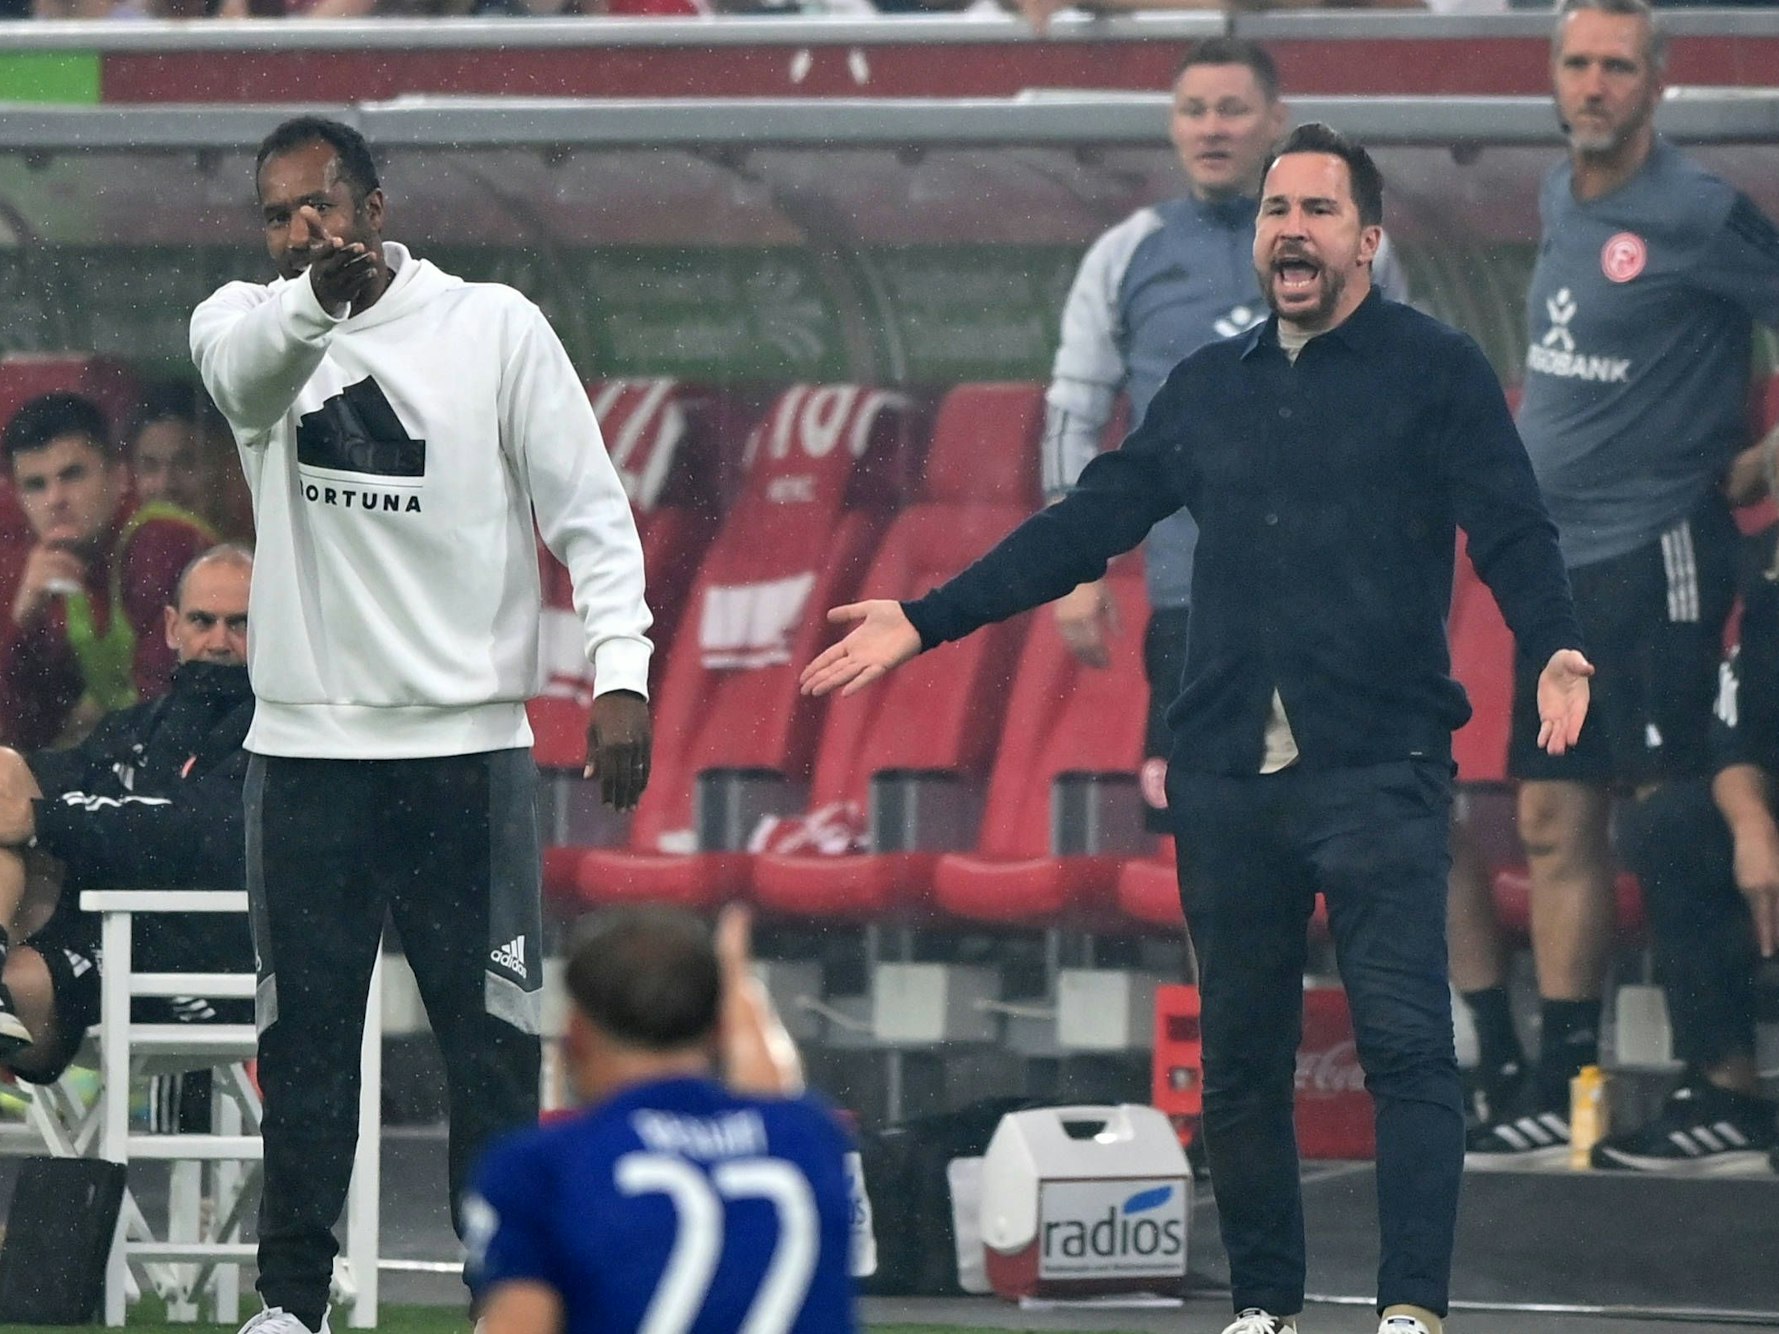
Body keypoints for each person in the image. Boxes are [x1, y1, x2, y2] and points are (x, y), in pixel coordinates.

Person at [803, 123, 1592, 1334]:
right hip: (1229, 772)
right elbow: (1091, 521)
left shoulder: (1435, 369)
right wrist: (927, 615)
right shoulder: (1207, 387)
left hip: (1381, 762)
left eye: (1320, 211)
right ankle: (1265, 1307)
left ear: (1367, 242)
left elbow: (1514, 527)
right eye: (1278, 211)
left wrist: (1556, 640)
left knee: (1407, 1049)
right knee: (1238, 1064)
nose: (1291, 229)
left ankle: (1412, 1311)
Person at [189, 115, 654, 1334]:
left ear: (377, 207)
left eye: (322, 207)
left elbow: (591, 512)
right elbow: (245, 376)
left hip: (466, 752)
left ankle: (504, 1292)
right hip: (305, 755)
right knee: (304, 1047)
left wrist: (623, 669)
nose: (303, 233)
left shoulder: (493, 327)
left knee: (491, 1048)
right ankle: (292, 1302)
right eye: (279, 215)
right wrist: (307, 305)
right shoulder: (244, 326)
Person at [1469, 0, 1779, 1161]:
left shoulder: (1698, 211)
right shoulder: (1559, 196)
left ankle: (1725, 1084)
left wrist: (1759, 460)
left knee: (1664, 817)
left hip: (1662, 549)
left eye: (1616, 66)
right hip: (1556, 566)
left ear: (1657, 84)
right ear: (1553, 77)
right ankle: (1568, 1081)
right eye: (1576, 63)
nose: (1593, 84)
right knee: (1554, 818)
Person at [1042, 37, 1409, 836]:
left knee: (1373, 824)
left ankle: (1405, 969)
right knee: (1209, 838)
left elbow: (1402, 410)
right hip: (1194, 604)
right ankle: (1228, 972)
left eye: (1232, 110)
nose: (1211, 128)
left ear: (1275, 121)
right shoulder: (1127, 252)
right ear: (1172, 127)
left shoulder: (1349, 239)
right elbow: (1074, 409)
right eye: (1193, 110)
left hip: (1336, 600)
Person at [466, 904, 856, 1334]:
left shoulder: (541, 1170)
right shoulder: (810, 1138)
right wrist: (739, 987)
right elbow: (771, 1089)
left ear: (575, 1034)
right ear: (719, 1030)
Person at [0, 543, 256, 1079]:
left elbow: (198, 835)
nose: (219, 642)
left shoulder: (281, 744)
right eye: (202, 621)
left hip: (202, 965)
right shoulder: (131, 728)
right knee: (3, 772)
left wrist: (45, 822)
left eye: (241, 624)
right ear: (171, 627)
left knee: (22, 822)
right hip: (96, 942)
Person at [1590, 511, 1779, 1172]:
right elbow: (1738, 738)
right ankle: (1726, 1092)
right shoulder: (1769, 563)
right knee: (1672, 822)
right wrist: (1753, 829)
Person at [0, 391, 214, 751]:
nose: (55, 500)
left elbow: (167, 716)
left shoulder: (160, 543)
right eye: (36, 485)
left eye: (73, 475)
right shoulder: (58, 568)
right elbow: (25, 735)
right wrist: (23, 620)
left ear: (119, 477)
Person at [126, 383, 255, 542]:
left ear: (224, 465)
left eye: (185, 464)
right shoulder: (127, 554)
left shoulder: (264, 544)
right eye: (150, 467)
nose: (165, 485)